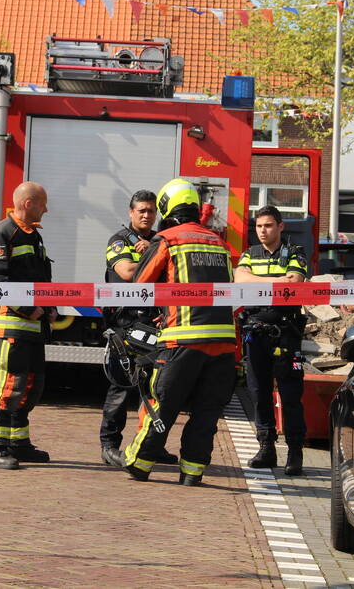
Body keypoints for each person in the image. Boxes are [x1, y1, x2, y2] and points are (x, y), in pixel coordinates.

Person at [120, 178, 238, 486]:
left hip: (182, 340)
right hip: (224, 343)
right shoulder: (219, 242)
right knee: (206, 413)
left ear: (166, 208)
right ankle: (192, 472)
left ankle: (139, 463)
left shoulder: (168, 239)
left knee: (163, 404)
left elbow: (140, 286)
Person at [0, 182, 55, 470]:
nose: (46, 209)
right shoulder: (2, 233)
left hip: (34, 328)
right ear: (28, 203)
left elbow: (41, 279)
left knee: (31, 386)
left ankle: (18, 443)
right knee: (8, 385)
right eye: (42, 203)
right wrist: (28, 309)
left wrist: (48, 308)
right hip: (13, 325)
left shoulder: (33, 236)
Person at [100, 190, 177, 467]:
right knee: (121, 387)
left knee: (155, 389)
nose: (146, 215)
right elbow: (127, 273)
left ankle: (149, 446)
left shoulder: (159, 240)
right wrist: (150, 258)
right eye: (141, 210)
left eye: (150, 211)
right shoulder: (119, 241)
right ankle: (109, 446)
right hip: (125, 324)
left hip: (154, 323)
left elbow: (171, 278)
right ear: (131, 212)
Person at [234, 206, 309, 476]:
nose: (262, 231)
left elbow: (295, 281)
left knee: (290, 395)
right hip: (256, 332)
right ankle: (266, 448)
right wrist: (275, 280)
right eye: (258, 226)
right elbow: (239, 278)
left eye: (267, 225)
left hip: (285, 332)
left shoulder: (295, 252)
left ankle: (294, 451)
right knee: (258, 393)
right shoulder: (249, 254)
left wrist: (258, 282)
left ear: (280, 227)